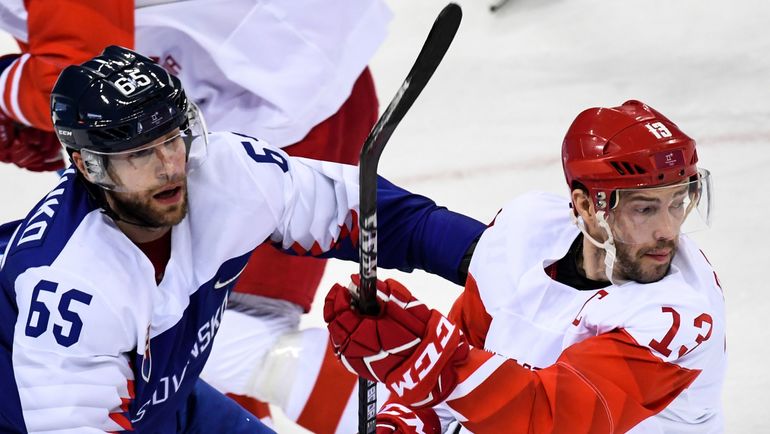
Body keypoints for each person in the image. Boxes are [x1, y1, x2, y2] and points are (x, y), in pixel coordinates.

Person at [0, 46, 485, 433]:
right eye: (142, 153)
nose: (171, 166)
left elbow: (373, 215)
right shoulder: (71, 286)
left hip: (170, 400)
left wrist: (484, 254)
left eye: (173, 138)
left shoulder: (223, 173)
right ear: (89, 165)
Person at [324, 100, 726, 433]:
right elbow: (468, 347)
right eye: (645, 208)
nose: (668, 230)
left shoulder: (681, 316)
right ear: (586, 206)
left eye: (678, 202)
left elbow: (547, 418)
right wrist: (405, 422)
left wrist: (426, 360)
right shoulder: (527, 231)